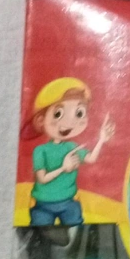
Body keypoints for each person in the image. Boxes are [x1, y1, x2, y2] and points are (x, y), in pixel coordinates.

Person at [22, 77, 115, 226]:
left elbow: (91, 159)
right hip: (43, 204)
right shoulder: (41, 150)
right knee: (41, 231)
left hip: (69, 202)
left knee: (76, 229)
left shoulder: (72, 147)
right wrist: (63, 168)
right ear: (41, 120)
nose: (69, 122)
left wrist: (101, 140)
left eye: (79, 113)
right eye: (58, 114)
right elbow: (42, 178)